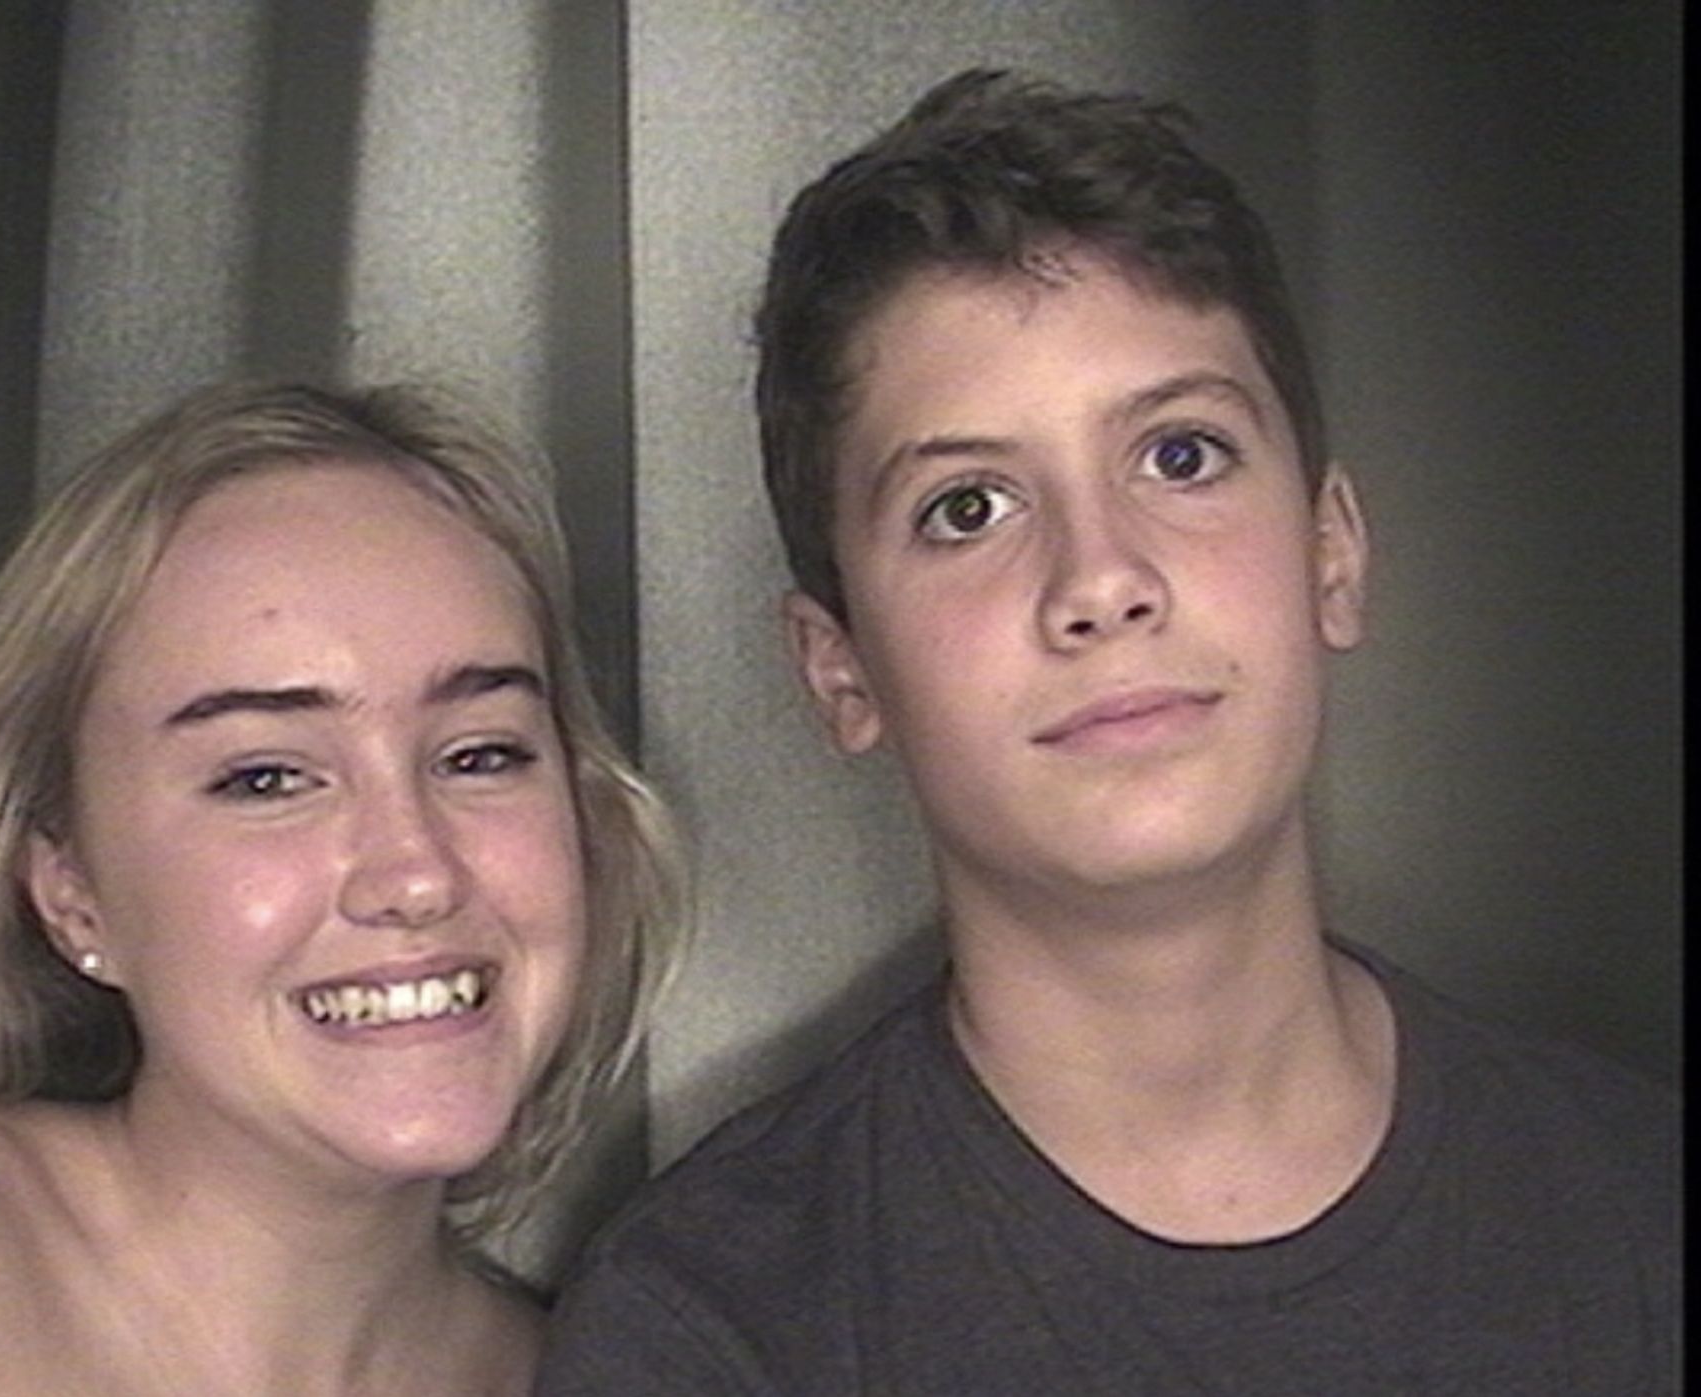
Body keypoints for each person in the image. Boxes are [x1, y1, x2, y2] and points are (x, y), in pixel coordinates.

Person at [535, 69, 1679, 1394]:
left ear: (1331, 554)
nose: (1099, 578)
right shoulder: (709, 1329)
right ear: (841, 670)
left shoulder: (1643, 1214)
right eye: (968, 507)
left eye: (1180, 455)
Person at [0, 380, 686, 1396]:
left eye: (479, 755)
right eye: (267, 778)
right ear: (71, 890)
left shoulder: (626, 1367)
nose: (417, 873)